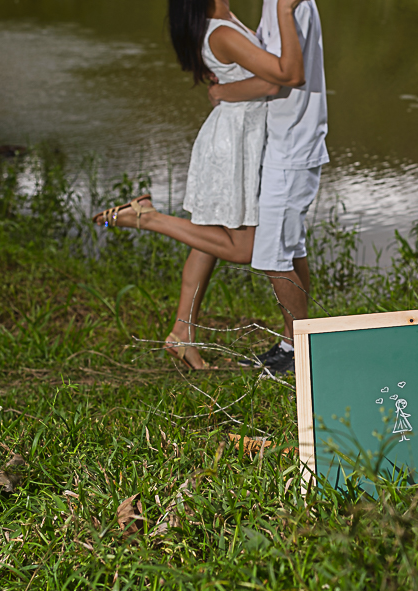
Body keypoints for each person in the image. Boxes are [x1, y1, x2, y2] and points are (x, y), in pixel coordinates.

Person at [92, 0, 307, 371]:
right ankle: (149, 218)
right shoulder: (220, 30)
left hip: (235, 137)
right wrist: (227, 91)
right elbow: (280, 76)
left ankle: (181, 334)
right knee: (247, 249)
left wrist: (228, 88)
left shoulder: (223, 18)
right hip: (237, 143)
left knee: (205, 239)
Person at [208, 0, 329, 375]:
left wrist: (224, 93)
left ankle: (299, 353)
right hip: (285, 140)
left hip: (291, 145)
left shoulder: (282, 4)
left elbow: (287, 75)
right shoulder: (276, 4)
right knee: (291, 249)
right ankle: (294, 342)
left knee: (274, 257)